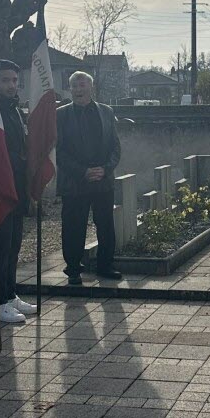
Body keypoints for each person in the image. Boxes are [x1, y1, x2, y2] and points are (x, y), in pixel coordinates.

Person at [56, 71, 123, 285]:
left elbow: (115, 147)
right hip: (75, 182)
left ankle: (105, 265)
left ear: (91, 87)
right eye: (74, 86)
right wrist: (82, 171)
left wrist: (106, 169)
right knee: (73, 226)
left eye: (82, 85)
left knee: (105, 225)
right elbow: (58, 151)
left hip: (103, 180)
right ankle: (73, 269)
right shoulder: (60, 115)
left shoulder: (106, 111)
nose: (78, 90)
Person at [0, 59, 38, 323]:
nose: (11, 85)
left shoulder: (14, 109)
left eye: (15, 80)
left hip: (17, 186)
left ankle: (9, 293)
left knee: (14, 245)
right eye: (5, 80)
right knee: (0, 248)